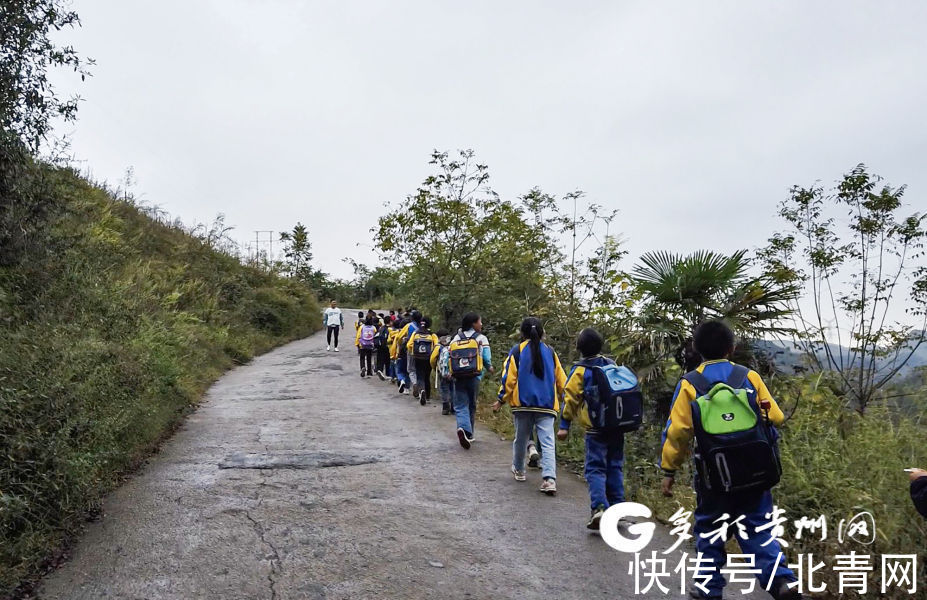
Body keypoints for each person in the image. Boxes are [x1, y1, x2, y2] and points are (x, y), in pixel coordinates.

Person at [660, 320, 800, 600]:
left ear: (696, 349)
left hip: (714, 475)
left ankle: (708, 590)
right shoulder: (748, 377)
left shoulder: (690, 384)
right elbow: (776, 417)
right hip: (756, 471)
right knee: (758, 527)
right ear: (732, 348)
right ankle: (782, 582)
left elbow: (678, 432)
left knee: (710, 529)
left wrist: (669, 471)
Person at [557, 328, 625, 529]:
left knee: (595, 468)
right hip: (616, 426)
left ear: (579, 348)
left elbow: (571, 399)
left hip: (595, 429)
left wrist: (564, 425)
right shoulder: (612, 365)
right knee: (615, 466)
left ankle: (600, 508)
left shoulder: (581, 370)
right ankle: (618, 508)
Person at [493, 317, 565, 495]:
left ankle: (519, 470)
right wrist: (566, 397)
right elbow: (561, 379)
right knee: (547, 442)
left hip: (522, 405)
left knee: (521, 438)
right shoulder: (550, 352)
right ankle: (549, 479)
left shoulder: (517, 351)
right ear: (542, 333)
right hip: (547, 405)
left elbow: (508, 379)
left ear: (522, 333)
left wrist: (501, 399)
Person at [450, 312, 494, 449]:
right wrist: (490, 367)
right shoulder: (482, 338)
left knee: (461, 404)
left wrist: (449, 372)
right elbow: (486, 358)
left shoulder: (456, 338)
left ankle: (463, 428)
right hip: (475, 375)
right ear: (473, 324)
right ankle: (469, 434)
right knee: (471, 403)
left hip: (458, 375)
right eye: (480, 322)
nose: (481, 324)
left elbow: (449, 356)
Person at [407, 316, 438, 406]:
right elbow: (436, 346)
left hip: (418, 357)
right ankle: (427, 396)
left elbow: (409, 345)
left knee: (420, 376)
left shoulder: (415, 333)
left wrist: (414, 351)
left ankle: (422, 391)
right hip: (428, 358)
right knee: (427, 376)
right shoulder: (432, 335)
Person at [392, 311, 422, 395]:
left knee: (409, 369)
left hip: (409, 350)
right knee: (418, 370)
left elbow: (399, 337)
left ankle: (409, 385)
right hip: (423, 353)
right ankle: (421, 389)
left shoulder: (409, 326)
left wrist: (402, 345)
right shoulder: (423, 327)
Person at [431, 329, 455, 415]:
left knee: (444, 389)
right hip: (453, 371)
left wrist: (435, 368)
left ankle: (445, 407)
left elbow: (432, 359)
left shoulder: (438, 346)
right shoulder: (453, 344)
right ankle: (453, 407)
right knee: (453, 388)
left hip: (443, 372)